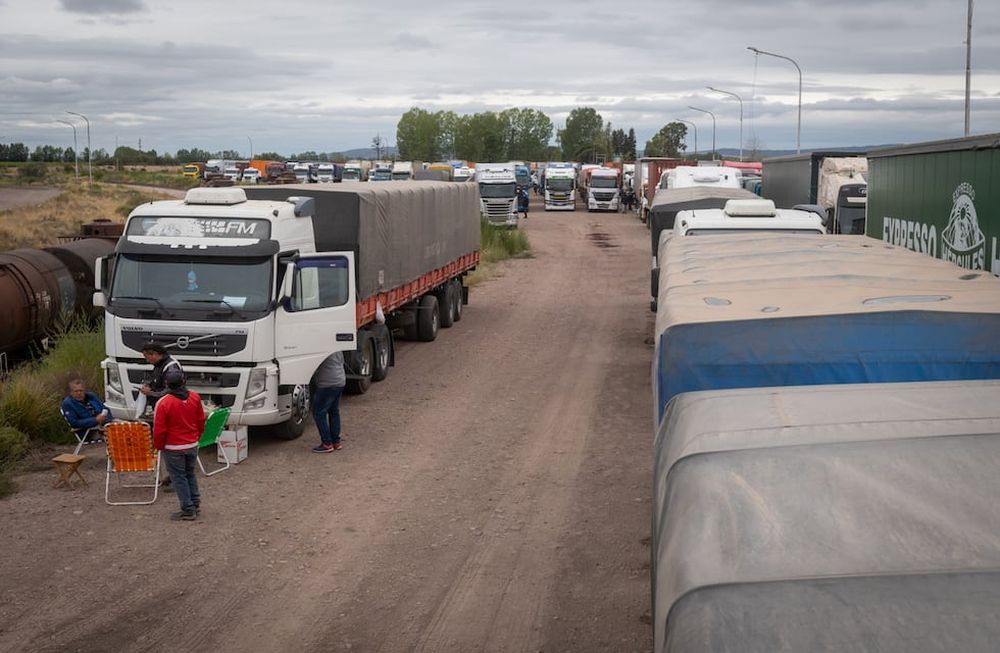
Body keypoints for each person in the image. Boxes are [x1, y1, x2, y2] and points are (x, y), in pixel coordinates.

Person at [153, 368, 206, 521]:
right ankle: (195, 503)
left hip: (173, 447)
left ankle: (188, 509)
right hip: (191, 444)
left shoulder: (163, 403)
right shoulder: (195, 397)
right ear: (183, 381)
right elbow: (200, 420)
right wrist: (197, 436)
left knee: (179, 478)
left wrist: (159, 446)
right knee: (190, 474)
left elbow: (159, 429)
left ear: (166, 383)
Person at [311, 351, 346, 453]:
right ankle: (336, 442)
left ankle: (327, 443)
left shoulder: (322, 347)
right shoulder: (337, 347)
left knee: (319, 413)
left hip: (327, 383)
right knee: (334, 411)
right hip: (340, 380)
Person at [60, 379, 110, 444]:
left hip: (104, 425)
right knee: (117, 435)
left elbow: (105, 409)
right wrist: (95, 420)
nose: (79, 393)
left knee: (124, 427)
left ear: (84, 390)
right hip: (88, 431)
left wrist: (108, 420)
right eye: (76, 391)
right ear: (71, 392)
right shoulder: (67, 404)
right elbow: (74, 423)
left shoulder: (92, 396)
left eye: (81, 390)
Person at [140, 342, 184, 409]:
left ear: (155, 354)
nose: (147, 361)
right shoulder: (159, 364)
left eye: (147, 358)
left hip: (169, 407)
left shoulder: (171, 369)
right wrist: (148, 384)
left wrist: (150, 393)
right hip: (161, 405)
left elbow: (170, 391)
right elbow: (156, 379)